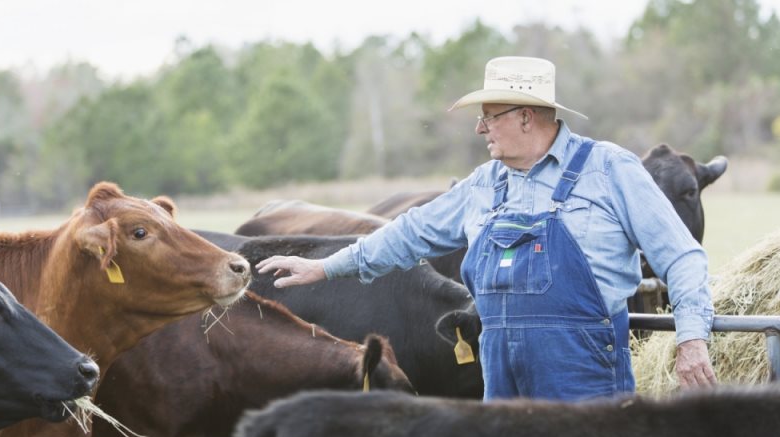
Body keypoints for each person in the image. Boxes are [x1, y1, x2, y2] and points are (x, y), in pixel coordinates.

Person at [257, 56, 716, 401]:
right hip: (500, 379)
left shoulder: (609, 170)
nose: (479, 128)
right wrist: (324, 267)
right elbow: (406, 234)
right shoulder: (484, 185)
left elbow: (682, 256)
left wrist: (692, 338)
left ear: (525, 117)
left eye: (489, 115)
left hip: (585, 375)